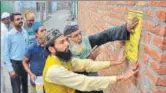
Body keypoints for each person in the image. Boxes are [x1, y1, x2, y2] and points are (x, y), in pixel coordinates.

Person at [42, 29, 138, 93]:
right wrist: (121, 77)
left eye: (65, 40)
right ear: (51, 49)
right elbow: (85, 82)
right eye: (62, 42)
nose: (67, 44)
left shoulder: (62, 58)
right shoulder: (54, 70)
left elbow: (85, 64)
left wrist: (115, 62)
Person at [63, 18, 138, 93]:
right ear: (68, 39)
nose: (80, 37)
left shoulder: (86, 41)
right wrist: (91, 58)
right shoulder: (64, 52)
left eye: (80, 33)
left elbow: (105, 35)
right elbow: (75, 72)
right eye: (75, 35)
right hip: (80, 87)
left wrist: (124, 29)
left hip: (95, 82)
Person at [4, 13, 28, 93]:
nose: (20, 20)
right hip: (15, 65)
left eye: (21, 19)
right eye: (18, 19)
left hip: (24, 63)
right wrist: (10, 69)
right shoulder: (9, 35)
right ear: (12, 22)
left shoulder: (25, 32)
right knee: (16, 89)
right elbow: (6, 54)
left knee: (25, 87)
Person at [22, 22, 48, 93]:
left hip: (49, 80)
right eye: (42, 31)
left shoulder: (50, 46)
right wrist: (31, 74)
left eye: (45, 30)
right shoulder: (31, 48)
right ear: (36, 34)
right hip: (37, 80)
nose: (45, 32)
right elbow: (24, 62)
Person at [1, 12, 10, 93]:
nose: (9, 21)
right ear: (5, 19)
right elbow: (6, 44)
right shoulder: (4, 29)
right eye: (8, 19)